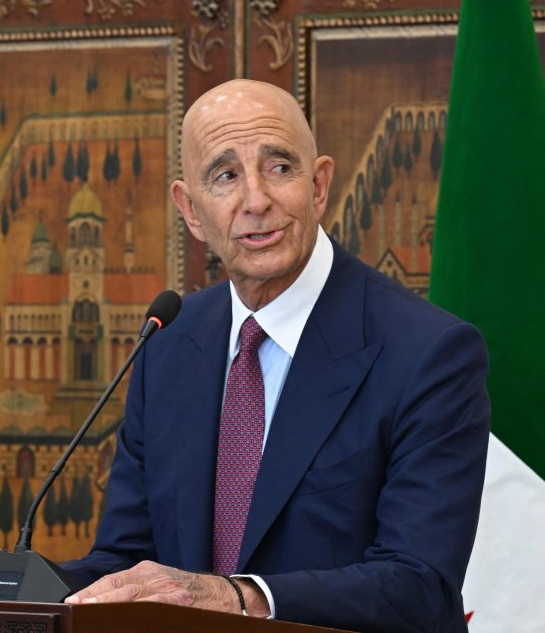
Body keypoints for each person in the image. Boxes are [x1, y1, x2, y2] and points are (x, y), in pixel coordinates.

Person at [58, 80, 490, 631]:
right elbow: (125, 560)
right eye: (225, 176)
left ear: (319, 185)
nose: (256, 200)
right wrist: (16, 591)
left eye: (280, 167)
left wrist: (241, 598)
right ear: (190, 210)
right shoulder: (168, 341)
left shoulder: (429, 353)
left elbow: (418, 585)